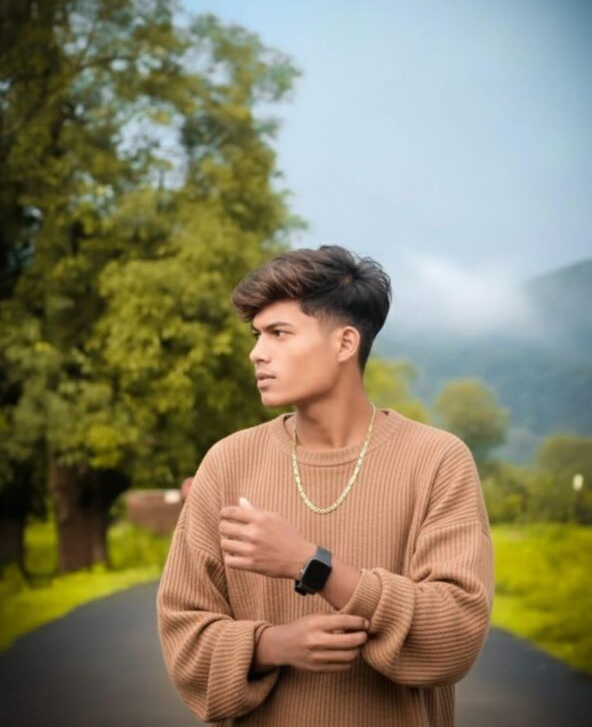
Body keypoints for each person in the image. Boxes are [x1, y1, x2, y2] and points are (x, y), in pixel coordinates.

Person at [156, 244, 494, 726]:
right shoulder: (227, 463)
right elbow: (183, 641)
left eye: (279, 333)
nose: (257, 353)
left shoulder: (436, 461)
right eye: (256, 335)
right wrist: (273, 645)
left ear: (344, 344)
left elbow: (455, 637)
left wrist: (310, 565)